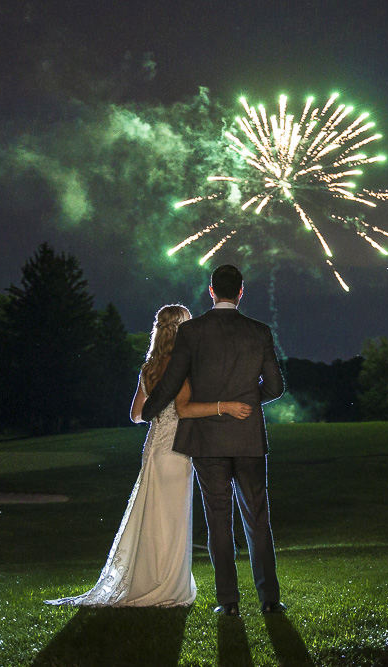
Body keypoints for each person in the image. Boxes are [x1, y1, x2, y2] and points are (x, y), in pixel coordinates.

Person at [45, 304, 251, 607]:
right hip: (175, 452)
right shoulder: (182, 366)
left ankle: (150, 578)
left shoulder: (150, 367)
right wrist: (223, 406)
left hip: (154, 447)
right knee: (170, 520)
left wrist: (161, 414)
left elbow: (136, 415)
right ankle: (165, 585)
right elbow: (184, 409)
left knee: (152, 516)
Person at [141, 264, 285, 617]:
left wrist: (150, 411)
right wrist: (249, 402)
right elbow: (277, 387)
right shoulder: (260, 332)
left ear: (210, 291)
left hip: (207, 442)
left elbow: (172, 381)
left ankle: (229, 602)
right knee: (257, 517)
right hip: (248, 437)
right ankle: (269, 599)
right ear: (240, 292)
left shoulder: (192, 332)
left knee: (219, 519)